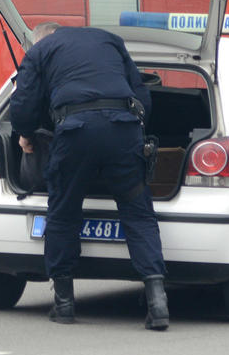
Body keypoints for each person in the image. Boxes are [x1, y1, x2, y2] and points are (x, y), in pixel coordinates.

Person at [9, 21, 169, 330]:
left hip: (75, 133)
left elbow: (23, 104)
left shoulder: (40, 51)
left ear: (41, 40)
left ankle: (64, 304)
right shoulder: (109, 40)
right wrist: (134, 133)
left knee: (63, 212)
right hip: (123, 130)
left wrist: (27, 134)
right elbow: (142, 96)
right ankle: (158, 301)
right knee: (137, 213)